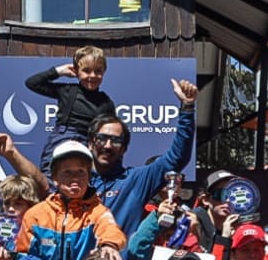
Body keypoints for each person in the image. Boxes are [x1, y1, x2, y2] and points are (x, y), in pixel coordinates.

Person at [17, 141, 125, 260]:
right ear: (55, 177)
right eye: (67, 172)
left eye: (81, 172)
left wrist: (109, 245)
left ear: (89, 176)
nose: (75, 178)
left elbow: (110, 229)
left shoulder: (97, 211)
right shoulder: (35, 215)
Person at [84, 78, 198, 237]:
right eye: (102, 138)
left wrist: (187, 108)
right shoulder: (75, 182)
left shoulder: (135, 181)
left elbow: (177, 158)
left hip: (119, 254)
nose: (108, 146)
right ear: (90, 143)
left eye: (116, 141)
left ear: (124, 148)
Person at [25, 47, 118, 166]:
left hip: (90, 144)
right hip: (62, 140)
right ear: (76, 71)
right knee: (50, 174)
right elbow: (32, 83)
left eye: (98, 71)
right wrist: (58, 71)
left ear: (104, 72)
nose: (92, 75)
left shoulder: (106, 102)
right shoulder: (67, 91)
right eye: (86, 70)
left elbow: (112, 132)